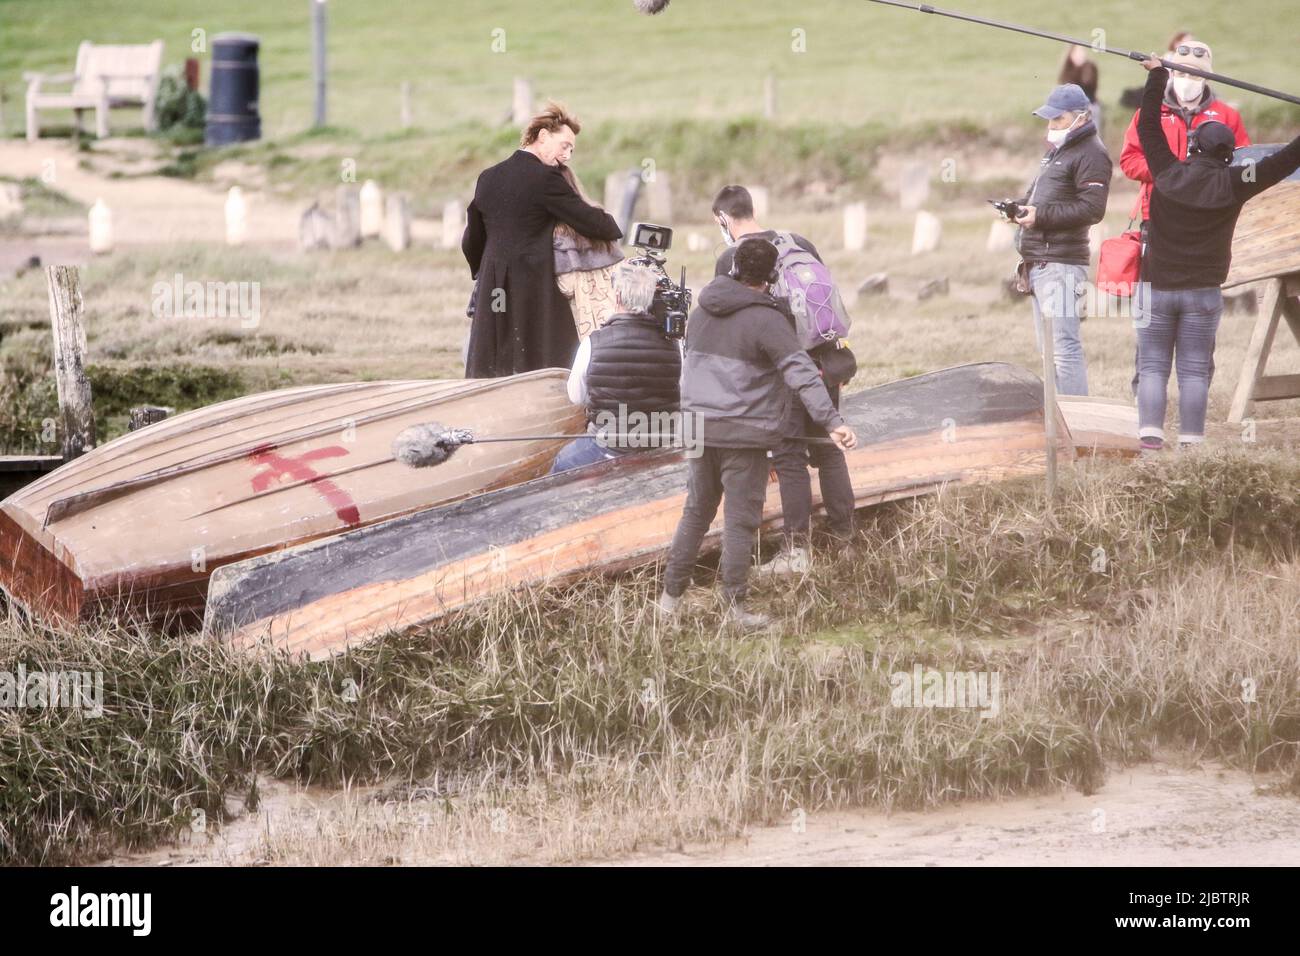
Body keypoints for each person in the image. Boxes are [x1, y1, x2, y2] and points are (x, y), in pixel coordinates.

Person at [657, 237, 857, 628]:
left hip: (698, 429)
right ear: (771, 276)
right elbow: (801, 373)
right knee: (740, 520)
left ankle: (668, 604)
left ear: (732, 271)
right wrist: (833, 421)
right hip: (742, 435)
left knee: (695, 513)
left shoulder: (699, 313)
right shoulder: (768, 320)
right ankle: (734, 609)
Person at [1132, 57, 1300, 453]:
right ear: (1229, 156)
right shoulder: (1237, 182)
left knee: (1152, 366)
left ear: (1192, 147)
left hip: (1155, 287)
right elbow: (1286, 161)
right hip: (1203, 293)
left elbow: (1148, 126)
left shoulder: (1166, 172)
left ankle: (1150, 444)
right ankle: (1191, 445)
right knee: (1193, 371)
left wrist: (1158, 76)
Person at [710, 185, 856, 574]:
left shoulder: (731, 257)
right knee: (827, 450)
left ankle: (797, 552)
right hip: (823, 364)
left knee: (790, 458)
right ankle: (846, 540)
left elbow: (735, 329)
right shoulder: (798, 241)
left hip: (783, 372)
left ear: (723, 219)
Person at [1120, 39, 1251, 396]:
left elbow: (1244, 167)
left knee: (1201, 310)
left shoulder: (1228, 116)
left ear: (1208, 76)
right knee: (1150, 309)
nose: (1186, 78)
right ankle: (1143, 387)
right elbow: (1129, 161)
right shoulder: (1150, 114)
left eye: (1195, 73)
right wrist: (1171, 174)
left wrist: (1201, 182)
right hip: (1157, 221)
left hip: (1209, 225)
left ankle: (1198, 385)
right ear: (1170, 72)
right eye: (1178, 70)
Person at [461, 102, 622, 378]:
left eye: (571, 149)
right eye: (565, 145)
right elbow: (594, 223)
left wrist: (484, 270)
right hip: (532, 282)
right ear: (543, 136)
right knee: (539, 364)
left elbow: (472, 239)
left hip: (492, 282)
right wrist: (610, 224)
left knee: (493, 363)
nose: (568, 155)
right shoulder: (545, 178)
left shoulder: (487, 177)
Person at [1012, 83, 1112, 397]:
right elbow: (1036, 195)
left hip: (1062, 264)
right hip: (1039, 261)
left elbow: (1092, 209)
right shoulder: (1056, 152)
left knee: (1064, 348)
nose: (1051, 126)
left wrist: (1040, 216)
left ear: (1080, 118)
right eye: (1049, 120)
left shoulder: (1092, 153)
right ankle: (1057, 423)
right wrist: (1017, 209)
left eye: (1058, 120)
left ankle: (1077, 419)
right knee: (1048, 352)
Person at [551, 262, 680, 473]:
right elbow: (680, 391)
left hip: (607, 445)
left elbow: (576, 396)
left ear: (618, 296)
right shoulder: (673, 343)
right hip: (659, 443)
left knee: (560, 465)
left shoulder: (593, 342)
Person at [554, 164, 624, 339]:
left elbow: (566, 286)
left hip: (580, 332)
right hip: (615, 324)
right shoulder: (599, 220)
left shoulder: (555, 235)